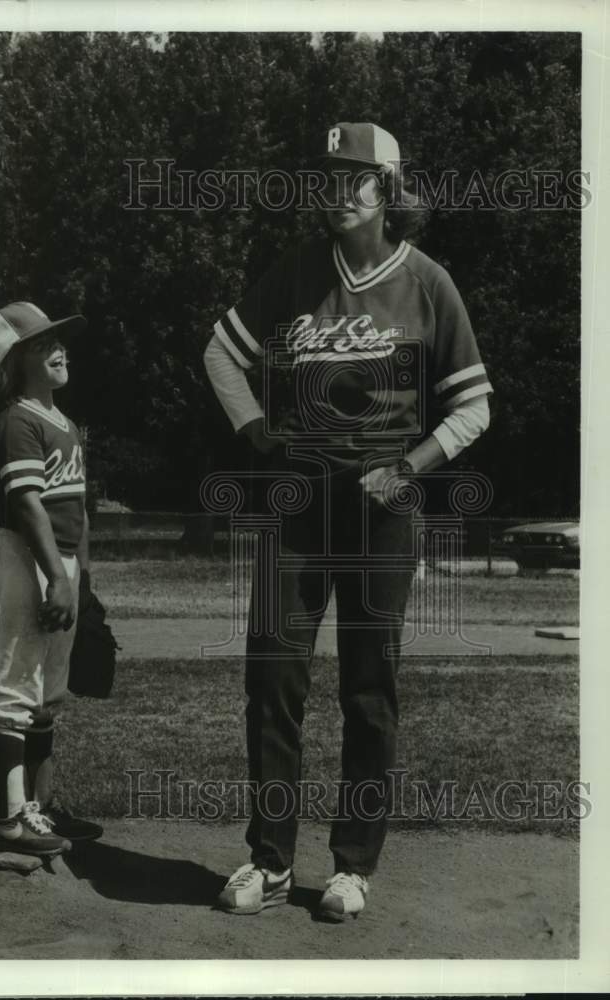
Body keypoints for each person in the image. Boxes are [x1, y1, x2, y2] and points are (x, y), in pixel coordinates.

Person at [204, 122, 492, 920]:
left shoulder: (429, 283)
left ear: (388, 191)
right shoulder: (296, 273)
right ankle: (267, 861)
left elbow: (475, 405)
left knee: (370, 690)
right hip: (295, 509)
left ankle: (351, 867)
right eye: (325, 177)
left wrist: (407, 466)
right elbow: (221, 354)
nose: (333, 191)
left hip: (382, 513)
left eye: (350, 178)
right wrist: (259, 434)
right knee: (272, 680)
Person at [0, 301, 103, 856]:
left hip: (58, 562)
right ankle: (7, 821)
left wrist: (82, 581)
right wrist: (57, 576)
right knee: (14, 690)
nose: (59, 349)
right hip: (26, 558)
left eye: (58, 341)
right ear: (14, 360)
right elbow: (27, 503)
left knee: (47, 693)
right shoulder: (19, 419)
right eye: (43, 343)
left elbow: (77, 505)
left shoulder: (65, 422)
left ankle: (39, 810)